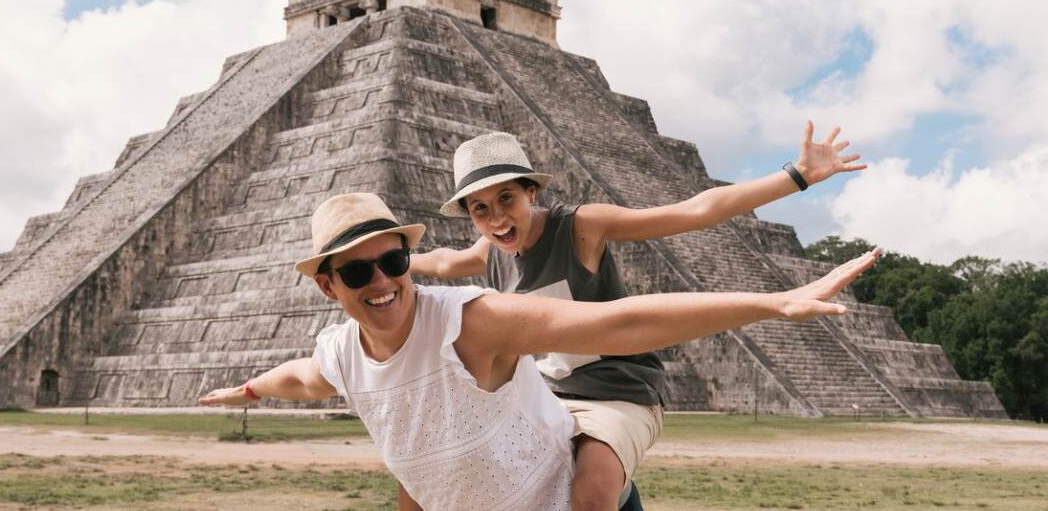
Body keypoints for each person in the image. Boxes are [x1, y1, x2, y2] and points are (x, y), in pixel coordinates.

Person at [200, 191, 880, 510]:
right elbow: (308, 376)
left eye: (394, 260)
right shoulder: (344, 350)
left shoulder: (475, 322)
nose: (382, 281)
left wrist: (774, 303)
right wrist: (251, 389)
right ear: (328, 286)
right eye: (356, 272)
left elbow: (617, 326)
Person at [409, 124, 865, 509]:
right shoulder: (490, 252)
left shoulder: (580, 227)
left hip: (614, 392)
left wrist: (796, 176)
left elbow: (693, 211)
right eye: (480, 209)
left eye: (506, 198)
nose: (497, 219)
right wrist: (386, 266)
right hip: (542, 399)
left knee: (589, 493)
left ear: (532, 190)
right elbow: (444, 261)